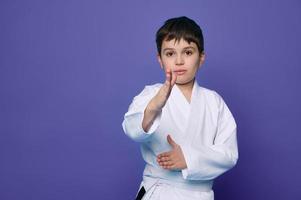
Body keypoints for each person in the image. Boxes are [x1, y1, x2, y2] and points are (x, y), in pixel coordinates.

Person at [122, 16, 238, 200]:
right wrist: (154, 107)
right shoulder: (150, 95)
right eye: (170, 54)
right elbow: (132, 130)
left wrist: (189, 159)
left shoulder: (214, 101)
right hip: (160, 191)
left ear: (201, 58)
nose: (179, 61)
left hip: (200, 194)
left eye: (188, 52)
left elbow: (229, 154)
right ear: (160, 59)